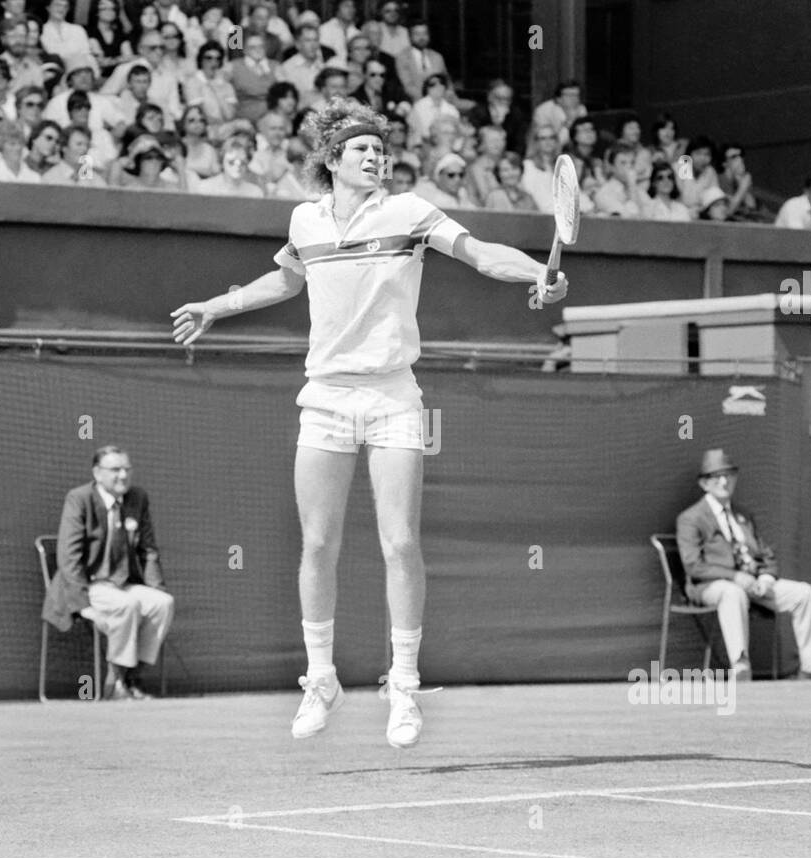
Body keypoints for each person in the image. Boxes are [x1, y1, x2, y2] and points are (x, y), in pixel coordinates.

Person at [169, 100, 568, 748]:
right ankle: (320, 677)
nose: (375, 156)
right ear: (332, 161)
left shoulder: (409, 211)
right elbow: (284, 282)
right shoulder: (305, 220)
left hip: (393, 396)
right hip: (324, 396)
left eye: (379, 149)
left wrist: (538, 271)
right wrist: (217, 305)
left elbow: (480, 253)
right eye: (361, 149)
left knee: (399, 542)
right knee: (318, 543)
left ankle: (403, 686)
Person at [676, 449, 811, 681]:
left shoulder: (744, 515)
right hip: (712, 587)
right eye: (716, 477)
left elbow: (766, 556)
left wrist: (766, 578)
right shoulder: (691, 518)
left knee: (803, 592)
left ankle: (809, 662)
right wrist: (735, 577)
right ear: (704, 484)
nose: (724, 481)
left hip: (753, 584)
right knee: (732, 593)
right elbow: (693, 566)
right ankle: (740, 664)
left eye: (728, 475)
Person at [41, 445, 175, 701]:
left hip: (124, 583)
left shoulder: (138, 498)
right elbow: (68, 558)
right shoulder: (79, 498)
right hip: (88, 586)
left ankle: (133, 678)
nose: (123, 476)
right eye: (115, 470)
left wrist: (156, 587)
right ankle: (114, 685)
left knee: (162, 603)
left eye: (127, 469)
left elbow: (149, 551)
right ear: (97, 473)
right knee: (128, 605)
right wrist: (83, 606)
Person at [229, 29, 283, 124]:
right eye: (253, 47)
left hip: (273, 119)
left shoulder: (275, 66)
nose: (258, 50)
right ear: (244, 50)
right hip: (245, 120)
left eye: (261, 46)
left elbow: (284, 92)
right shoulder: (233, 67)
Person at [393, 19, 445, 102]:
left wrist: (447, 95)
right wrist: (430, 98)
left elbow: (447, 82)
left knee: (471, 106)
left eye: (424, 33)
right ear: (410, 36)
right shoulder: (402, 58)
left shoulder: (437, 57)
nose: (422, 37)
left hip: (443, 100)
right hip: (417, 101)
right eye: (417, 34)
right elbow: (408, 87)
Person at [193, 133, 261, 196]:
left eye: (242, 162)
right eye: (231, 162)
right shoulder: (205, 188)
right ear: (222, 161)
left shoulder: (255, 193)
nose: (237, 166)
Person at [530, 79, 584, 147]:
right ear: (558, 99)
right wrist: (569, 122)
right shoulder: (543, 111)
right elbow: (550, 145)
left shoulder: (581, 109)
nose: (575, 99)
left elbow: (582, 139)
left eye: (577, 95)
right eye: (570, 95)